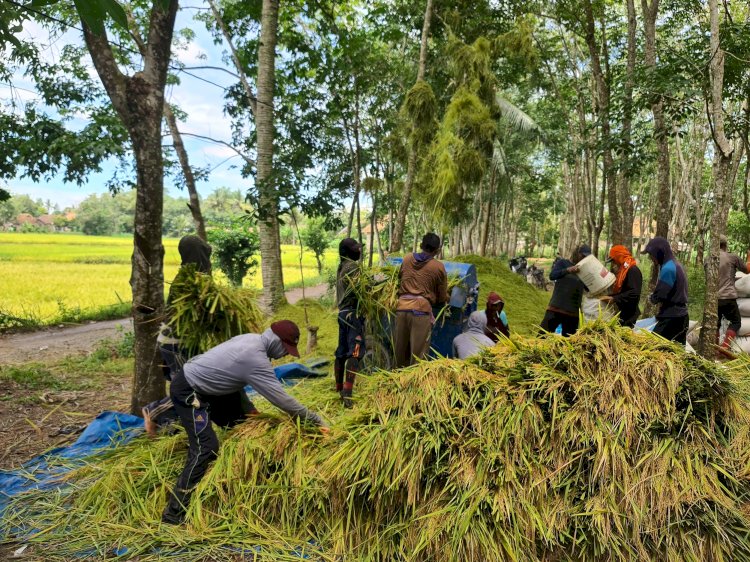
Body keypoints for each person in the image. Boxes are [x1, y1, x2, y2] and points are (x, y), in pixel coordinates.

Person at [162, 320, 328, 525]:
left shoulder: (252, 340)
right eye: (286, 348)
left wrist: (250, 412)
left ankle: (243, 484)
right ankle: (173, 514)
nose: (286, 354)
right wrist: (315, 419)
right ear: (276, 341)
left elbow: (234, 380)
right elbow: (282, 400)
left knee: (249, 428)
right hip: (190, 390)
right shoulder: (255, 357)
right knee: (206, 447)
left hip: (215, 390)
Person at [143, 235, 214, 436]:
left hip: (181, 341)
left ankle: (173, 426)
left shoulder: (191, 276)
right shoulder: (189, 280)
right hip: (177, 343)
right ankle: (153, 411)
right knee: (189, 387)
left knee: (184, 384)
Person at [394, 233, 449, 368]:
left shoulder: (407, 259)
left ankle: (396, 384)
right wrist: (445, 299)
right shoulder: (438, 267)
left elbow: (399, 278)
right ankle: (413, 386)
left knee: (400, 352)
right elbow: (442, 296)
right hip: (420, 312)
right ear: (437, 250)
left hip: (401, 309)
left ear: (420, 245)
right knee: (418, 355)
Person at [334, 238, 365, 408]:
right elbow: (361, 288)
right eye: (355, 248)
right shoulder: (352, 267)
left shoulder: (341, 267)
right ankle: (348, 394)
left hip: (342, 314)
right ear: (346, 251)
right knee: (355, 352)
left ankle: (338, 387)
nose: (358, 250)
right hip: (353, 315)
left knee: (341, 352)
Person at [643, 237, 689, 344]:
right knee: (677, 352)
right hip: (681, 315)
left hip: (672, 318)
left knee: (653, 347)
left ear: (659, 253)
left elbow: (661, 294)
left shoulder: (668, 268)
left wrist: (652, 298)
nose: (651, 258)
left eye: (652, 255)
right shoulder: (675, 264)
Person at [539, 246, 587, 336]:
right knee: (542, 336)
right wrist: (568, 270)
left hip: (573, 313)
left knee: (569, 343)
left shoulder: (584, 270)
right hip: (556, 308)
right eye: (583, 255)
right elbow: (552, 275)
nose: (584, 258)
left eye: (586, 257)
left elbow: (588, 288)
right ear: (576, 254)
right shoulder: (563, 263)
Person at [717, 235, 749, 351]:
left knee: (716, 324)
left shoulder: (708, 258)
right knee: (736, 321)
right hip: (728, 297)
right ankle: (724, 347)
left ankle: (715, 348)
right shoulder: (732, 257)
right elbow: (746, 270)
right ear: (725, 245)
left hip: (713, 298)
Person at [599, 245, 642, 328]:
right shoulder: (624, 271)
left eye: (614, 261)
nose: (613, 263)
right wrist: (610, 296)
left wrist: (615, 299)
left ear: (619, 257)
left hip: (630, 315)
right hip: (623, 314)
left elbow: (634, 293)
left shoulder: (633, 270)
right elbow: (623, 292)